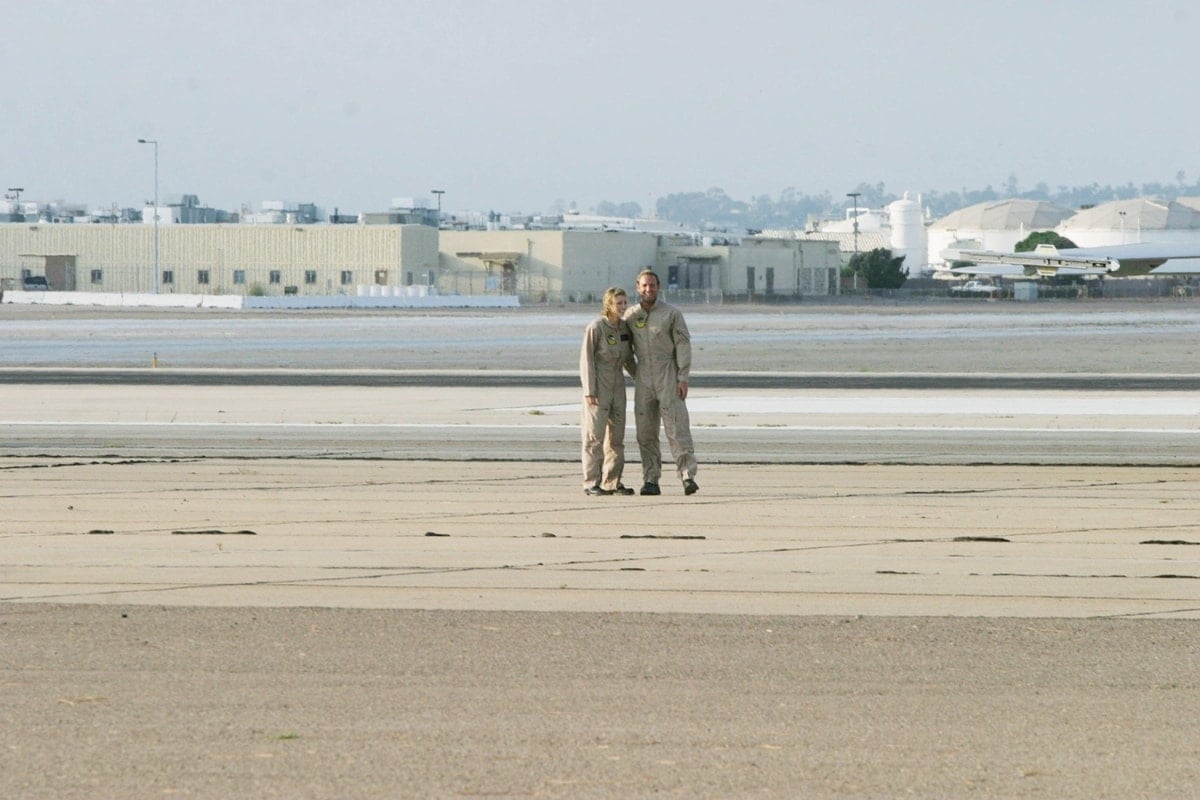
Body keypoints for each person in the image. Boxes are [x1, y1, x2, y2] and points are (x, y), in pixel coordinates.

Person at [623, 269, 699, 496]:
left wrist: (682, 377)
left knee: (677, 427)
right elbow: (624, 350)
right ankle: (650, 479)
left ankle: (687, 475)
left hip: (668, 374)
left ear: (659, 287)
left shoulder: (671, 314)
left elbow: (683, 346)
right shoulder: (630, 316)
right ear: (637, 287)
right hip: (644, 376)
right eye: (644, 286)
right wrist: (636, 373)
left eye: (652, 285)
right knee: (645, 432)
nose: (649, 290)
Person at [579, 287, 637, 496]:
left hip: (618, 387)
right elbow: (586, 360)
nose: (622, 307)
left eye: (624, 303)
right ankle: (591, 482)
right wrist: (589, 390)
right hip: (598, 387)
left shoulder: (623, 328)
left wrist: (642, 379)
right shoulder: (596, 327)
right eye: (618, 303)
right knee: (594, 436)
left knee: (616, 438)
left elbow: (629, 359)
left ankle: (612, 481)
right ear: (608, 305)